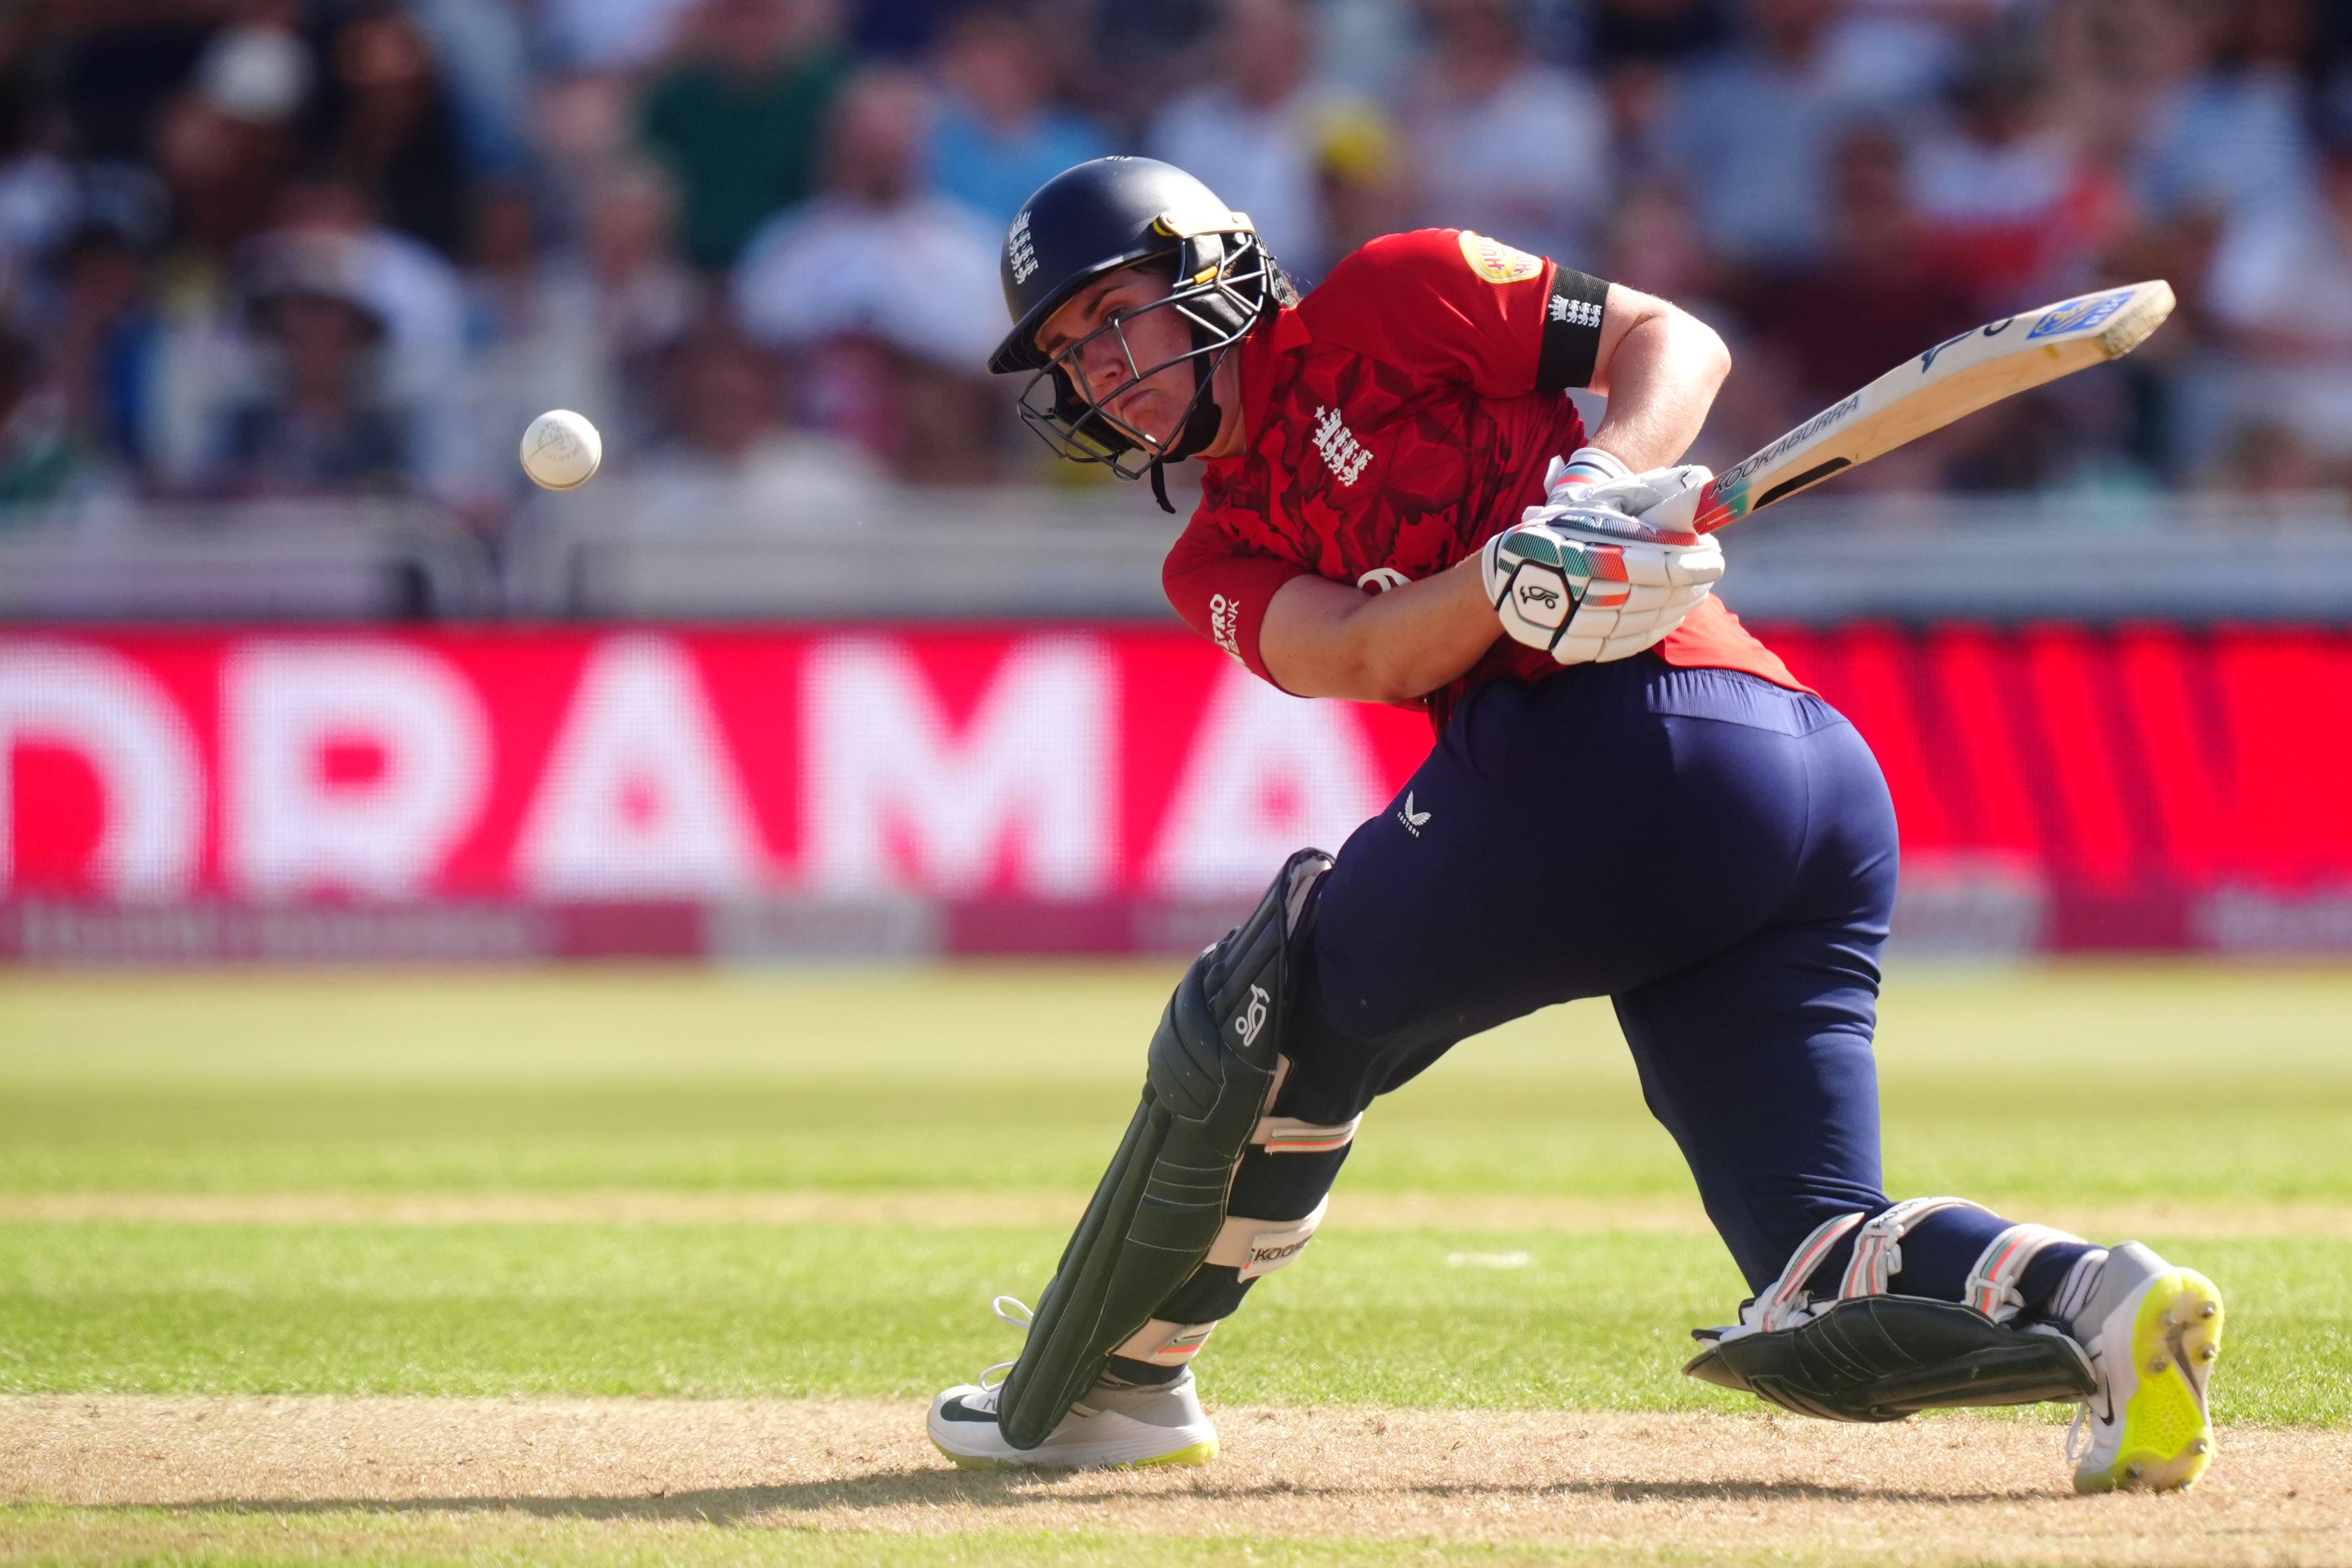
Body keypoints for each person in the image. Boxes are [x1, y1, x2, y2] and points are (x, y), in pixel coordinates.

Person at [925, 156, 2226, 1493]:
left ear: (1214, 277)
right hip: (1781, 784)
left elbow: (1679, 339)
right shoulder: (1211, 555)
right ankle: (2105, 1299)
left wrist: (1605, 468)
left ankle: (1120, 1385)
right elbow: (1369, 649)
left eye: (1113, 315)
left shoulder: (1398, 290)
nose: (1097, 370)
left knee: (1279, 1002)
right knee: (1816, 1257)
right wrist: (1503, 574)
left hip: (1633, 749)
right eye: (1070, 354)